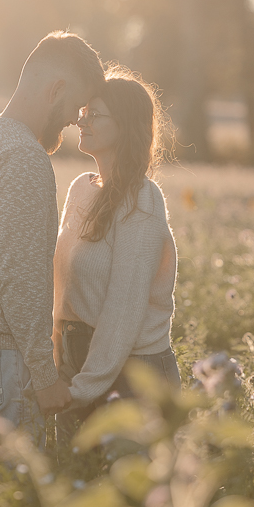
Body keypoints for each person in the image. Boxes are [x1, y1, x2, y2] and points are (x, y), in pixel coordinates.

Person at [0, 31, 106, 443]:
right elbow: (18, 277)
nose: (74, 119)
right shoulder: (24, 157)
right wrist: (45, 377)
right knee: (15, 497)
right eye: (75, 106)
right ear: (56, 89)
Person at [53, 67, 181, 445]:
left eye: (95, 115)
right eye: (83, 113)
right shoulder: (80, 189)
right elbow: (61, 285)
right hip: (80, 361)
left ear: (125, 126)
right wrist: (57, 364)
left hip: (132, 372)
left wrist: (82, 389)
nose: (82, 121)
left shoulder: (142, 200)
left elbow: (124, 309)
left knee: (129, 493)